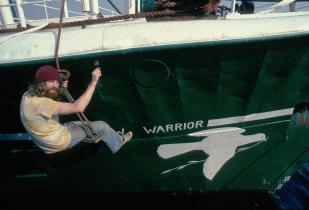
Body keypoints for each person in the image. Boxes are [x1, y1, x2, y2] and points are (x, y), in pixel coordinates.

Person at [20, 65, 133, 155]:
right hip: (57, 142)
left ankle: (105, 136)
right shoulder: (42, 103)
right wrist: (93, 82)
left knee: (79, 123)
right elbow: (78, 107)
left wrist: (61, 89)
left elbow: (48, 101)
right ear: (40, 84)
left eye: (56, 81)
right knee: (101, 125)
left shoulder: (28, 95)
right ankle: (118, 142)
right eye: (51, 82)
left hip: (44, 141)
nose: (55, 85)